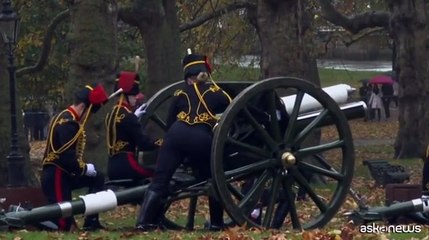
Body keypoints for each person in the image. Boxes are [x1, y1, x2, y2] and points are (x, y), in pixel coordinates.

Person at [135, 51, 232, 231]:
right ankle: (217, 223)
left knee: (159, 180)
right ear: (204, 74)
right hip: (200, 138)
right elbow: (234, 111)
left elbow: (170, 122)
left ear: (188, 77)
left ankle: (144, 222)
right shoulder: (216, 92)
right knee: (213, 179)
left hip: (174, 137)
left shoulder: (179, 94)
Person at [41, 83, 109, 231]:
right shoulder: (68, 122)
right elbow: (66, 157)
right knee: (62, 224)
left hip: (64, 174)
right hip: (56, 175)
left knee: (97, 177)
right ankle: (32, 220)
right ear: (84, 107)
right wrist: (84, 169)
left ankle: (91, 221)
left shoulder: (66, 116)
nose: (89, 117)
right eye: (90, 112)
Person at [105, 71, 161, 183]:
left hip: (112, 167)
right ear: (125, 95)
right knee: (159, 174)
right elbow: (143, 144)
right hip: (128, 166)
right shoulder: (129, 117)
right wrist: (161, 142)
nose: (136, 97)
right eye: (134, 95)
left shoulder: (110, 114)